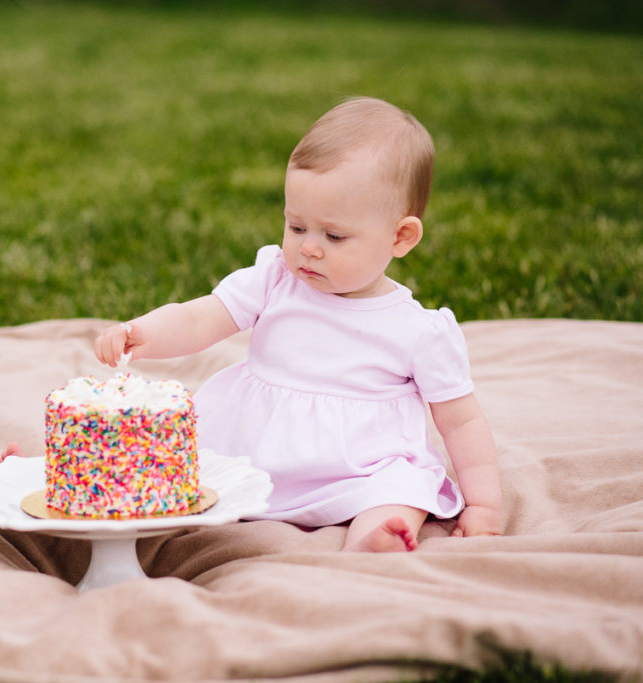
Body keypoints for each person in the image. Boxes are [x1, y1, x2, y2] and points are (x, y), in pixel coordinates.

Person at [90, 97, 502, 552]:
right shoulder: (274, 279)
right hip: (248, 444)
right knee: (158, 454)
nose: (308, 248)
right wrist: (142, 333)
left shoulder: (419, 332)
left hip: (357, 465)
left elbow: (461, 423)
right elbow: (197, 318)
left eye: (334, 235)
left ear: (400, 237)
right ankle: (58, 480)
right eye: (296, 226)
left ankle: (377, 534)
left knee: (401, 487)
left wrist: (483, 505)